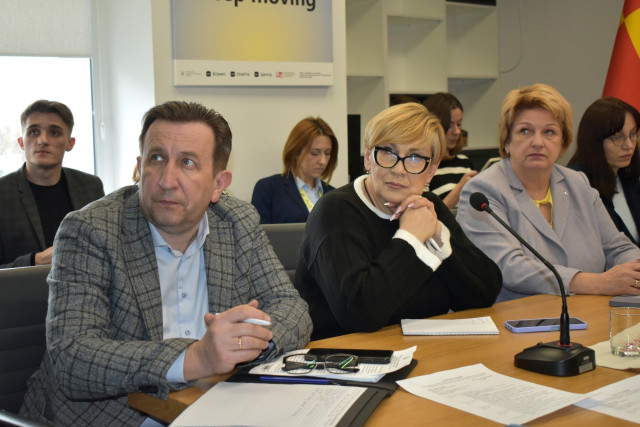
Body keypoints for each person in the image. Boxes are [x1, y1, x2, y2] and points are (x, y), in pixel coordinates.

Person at [20, 101, 312, 425]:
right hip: (110, 418)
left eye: (187, 162)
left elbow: (292, 309)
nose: (166, 180)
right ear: (139, 167)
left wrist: (245, 346)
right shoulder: (90, 230)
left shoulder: (237, 222)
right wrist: (194, 358)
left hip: (211, 407)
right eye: (156, 158)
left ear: (218, 184)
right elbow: (73, 357)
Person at [294, 102, 502, 340]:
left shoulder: (429, 207)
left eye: (415, 157)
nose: (399, 170)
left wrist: (437, 235)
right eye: (388, 152)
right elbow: (359, 313)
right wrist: (411, 238)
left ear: (431, 170)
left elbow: (483, 294)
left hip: (424, 351)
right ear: (368, 158)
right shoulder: (336, 210)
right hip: (346, 355)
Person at [457, 84, 640, 302]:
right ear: (506, 141)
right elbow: (509, 267)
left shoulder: (578, 183)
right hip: (519, 317)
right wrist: (598, 283)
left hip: (589, 312)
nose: (538, 142)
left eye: (549, 132)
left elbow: (619, 248)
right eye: (525, 131)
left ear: (563, 143)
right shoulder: (483, 191)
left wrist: (633, 273)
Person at [0, 100, 104, 268]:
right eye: (33, 132)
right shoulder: (3, 192)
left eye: (54, 132)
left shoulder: (91, 186)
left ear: (70, 143)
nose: (42, 140)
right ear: (21, 142)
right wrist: (35, 260)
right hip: (23, 286)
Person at [568, 97, 640, 245]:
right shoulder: (577, 184)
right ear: (594, 141)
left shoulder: (627, 176)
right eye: (617, 137)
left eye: (633, 134)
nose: (629, 145)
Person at [251, 117, 338, 223]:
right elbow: (259, 232)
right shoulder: (268, 189)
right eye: (314, 153)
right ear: (295, 152)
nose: (323, 161)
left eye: (328, 153)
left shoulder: (334, 195)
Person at [423, 93, 477, 208]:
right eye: (450, 125)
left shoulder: (465, 162)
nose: (457, 131)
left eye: (459, 124)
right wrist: (460, 188)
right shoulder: (425, 168)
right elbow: (431, 214)